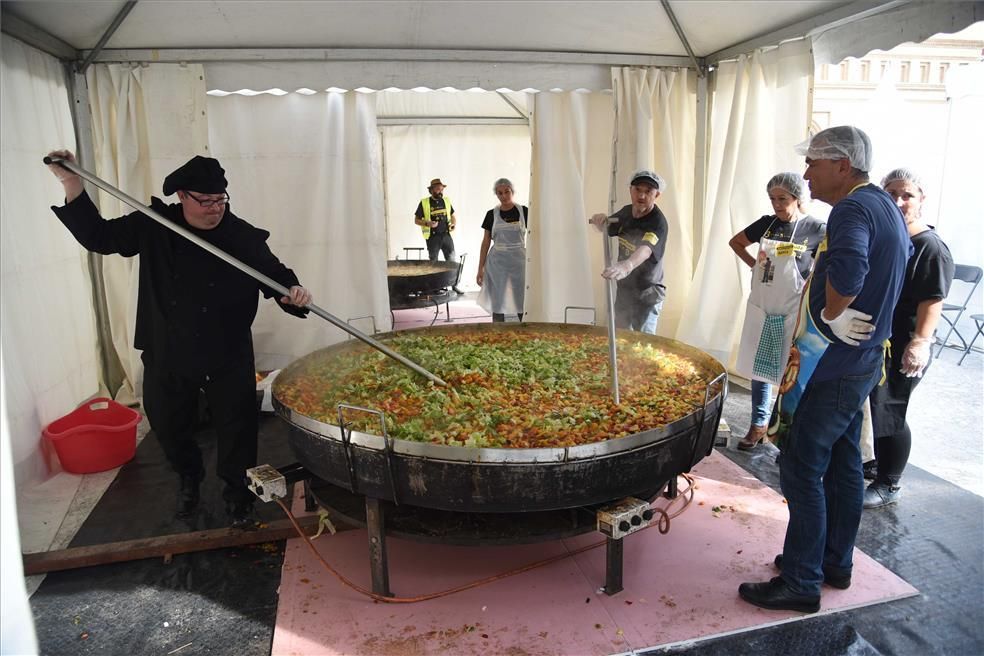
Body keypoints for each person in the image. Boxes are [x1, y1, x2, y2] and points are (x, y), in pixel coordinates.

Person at [46, 150, 312, 529]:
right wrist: (72, 183)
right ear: (182, 196)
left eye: (220, 200)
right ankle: (188, 478)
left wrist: (294, 292)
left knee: (237, 429)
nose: (214, 209)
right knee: (169, 425)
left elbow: (277, 276)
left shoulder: (241, 236)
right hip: (168, 348)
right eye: (204, 201)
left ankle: (238, 496)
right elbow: (99, 237)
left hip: (227, 351)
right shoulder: (155, 225)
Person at [738, 126, 910, 613]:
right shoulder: (882, 206)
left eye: (813, 163)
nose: (807, 174)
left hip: (837, 365)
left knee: (800, 466)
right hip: (860, 361)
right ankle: (834, 561)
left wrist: (834, 311)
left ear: (843, 165)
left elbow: (851, 269)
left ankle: (800, 580)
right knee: (843, 464)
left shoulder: (854, 208)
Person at [864, 168, 954, 509]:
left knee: (891, 406)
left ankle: (890, 482)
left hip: (905, 340)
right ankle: (880, 464)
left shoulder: (929, 246)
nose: (899, 202)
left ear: (922, 199)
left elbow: (932, 299)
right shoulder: (893, 237)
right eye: (892, 194)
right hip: (882, 336)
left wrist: (920, 342)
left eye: (907, 195)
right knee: (877, 404)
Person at [730, 173, 826, 450]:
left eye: (782, 199)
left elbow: (826, 261)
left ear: (798, 198)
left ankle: (788, 431)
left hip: (795, 309)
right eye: (773, 199)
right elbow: (736, 242)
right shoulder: (767, 224)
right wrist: (754, 265)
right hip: (764, 305)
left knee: (792, 370)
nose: (777, 205)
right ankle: (758, 424)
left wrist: (813, 283)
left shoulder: (816, 228)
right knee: (761, 366)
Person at [589, 170, 669, 334]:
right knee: (620, 338)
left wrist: (627, 265)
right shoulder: (626, 212)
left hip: (648, 293)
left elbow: (646, 249)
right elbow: (607, 227)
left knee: (643, 345)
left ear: (657, 195)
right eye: (638, 190)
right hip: (626, 290)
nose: (642, 196)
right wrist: (600, 219)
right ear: (630, 190)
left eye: (648, 191)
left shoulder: (658, 222)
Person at [476, 178, 528, 322]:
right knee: (497, 298)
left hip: (519, 261)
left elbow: (536, 235)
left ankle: (525, 329)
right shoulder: (491, 214)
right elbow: (485, 242)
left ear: (512, 191)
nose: (504, 196)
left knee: (522, 297)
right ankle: (497, 330)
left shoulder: (524, 211)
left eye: (507, 192)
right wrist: (480, 268)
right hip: (497, 262)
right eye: (500, 193)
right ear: (496, 195)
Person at [414, 178, 462, 293]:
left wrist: (453, 224)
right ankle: (434, 287)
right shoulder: (424, 202)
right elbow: (416, 220)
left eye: (441, 189)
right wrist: (428, 223)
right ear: (431, 190)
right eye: (437, 189)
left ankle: (454, 285)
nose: (440, 191)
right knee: (433, 263)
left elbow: (453, 216)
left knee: (451, 260)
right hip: (433, 237)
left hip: (446, 236)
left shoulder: (446, 201)